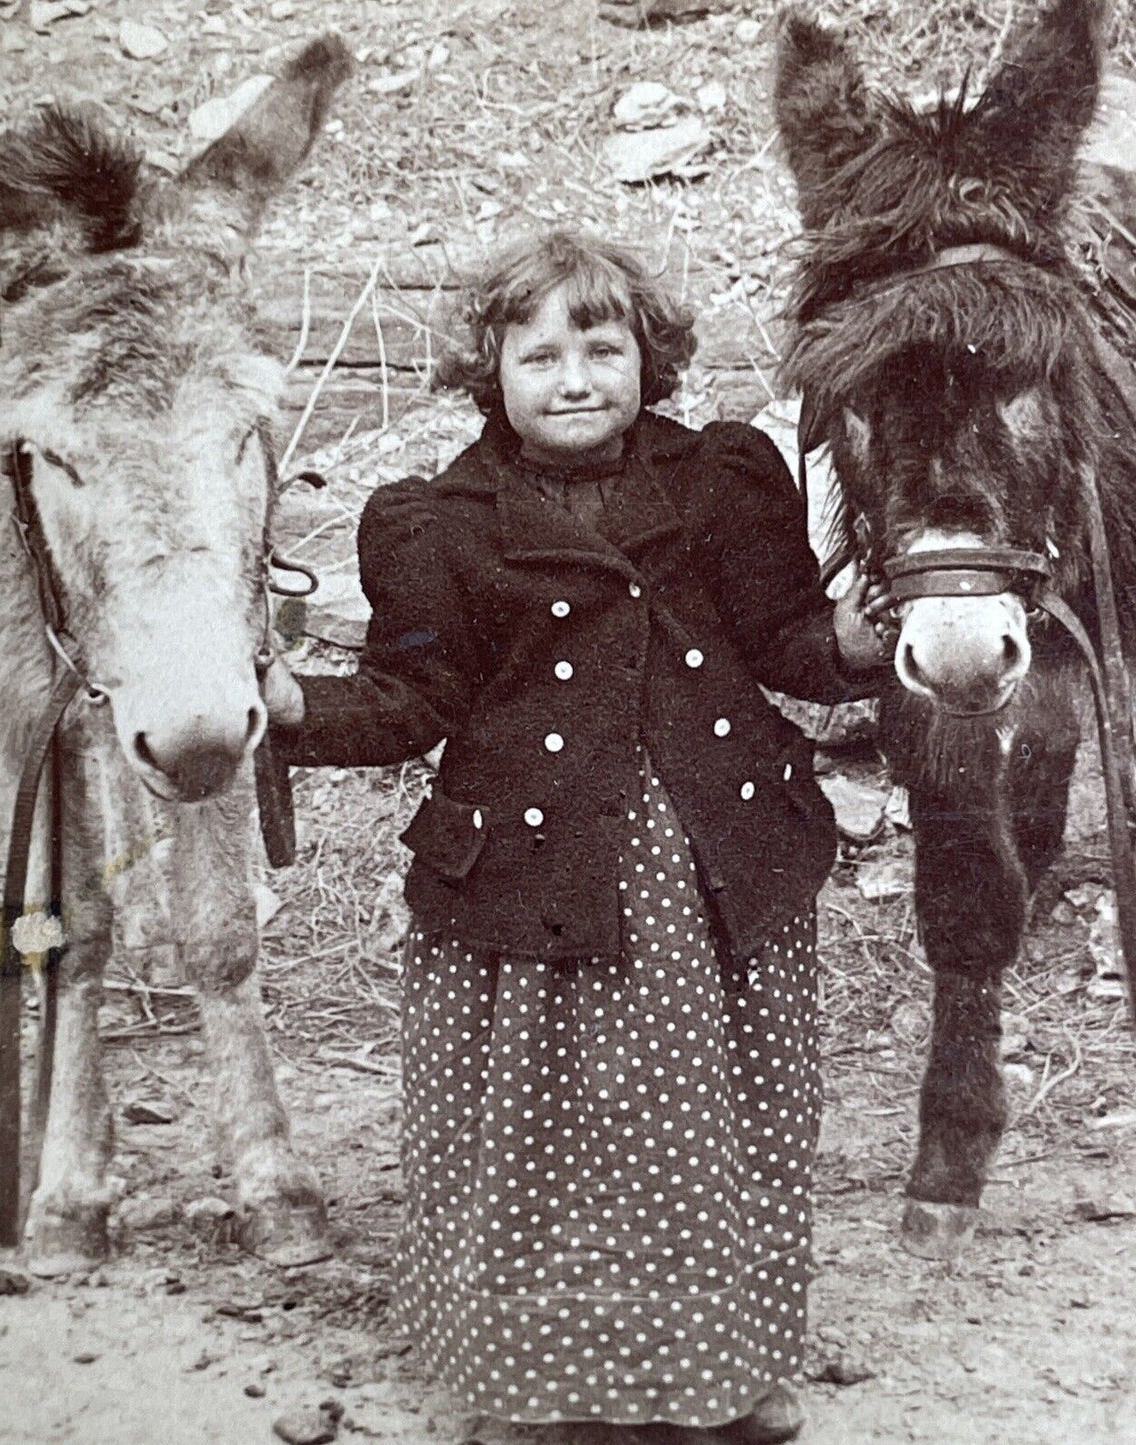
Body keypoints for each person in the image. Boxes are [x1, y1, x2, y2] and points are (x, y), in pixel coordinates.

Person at [266, 229, 893, 1445]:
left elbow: (783, 641)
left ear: (647, 357)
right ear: (486, 369)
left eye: (602, 348)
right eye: (538, 354)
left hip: (715, 867)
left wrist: (855, 645)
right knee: (544, 1138)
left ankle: (718, 1372)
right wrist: (294, 708)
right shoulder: (435, 522)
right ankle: (544, 1389)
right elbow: (411, 699)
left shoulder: (721, 477)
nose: (573, 379)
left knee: (715, 1127)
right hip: (531, 882)